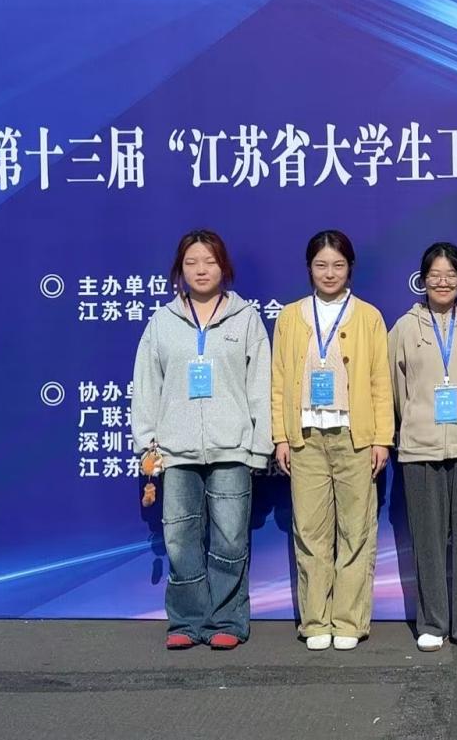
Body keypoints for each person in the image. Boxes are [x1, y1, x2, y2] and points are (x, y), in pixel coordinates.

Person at [131, 229, 272, 650]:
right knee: (179, 538)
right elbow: (146, 386)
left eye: (209, 261)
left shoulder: (246, 319)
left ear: (223, 267)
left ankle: (227, 619)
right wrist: (148, 444)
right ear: (179, 270)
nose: (201, 270)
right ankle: (187, 620)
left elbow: (260, 386)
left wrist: (259, 446)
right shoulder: (162, 322)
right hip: (175, 451)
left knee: (230, 538)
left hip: (232, 448)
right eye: (191, 262)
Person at [270, 230, 394, 651]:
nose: (329, 273)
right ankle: (315, 620)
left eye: (338, 265)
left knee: (356, 531)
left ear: (350, 268)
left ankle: (348, 621)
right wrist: (281, 436)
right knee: (310, 532)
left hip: (354, 437)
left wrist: (381, 438)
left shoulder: (368, 317)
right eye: (321, 265)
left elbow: (380, 382)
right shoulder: (290, 317)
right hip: (304, 438)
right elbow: (279, 381)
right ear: (309, 268)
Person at [389, 242, 457, 653]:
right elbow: (397, 389)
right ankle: (431, 621)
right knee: (427, 539)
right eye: (435, 275)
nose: (443, 282)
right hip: (420, 448)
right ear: (423, 279)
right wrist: (415, 422)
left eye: (451, 275)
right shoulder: (404, 327)